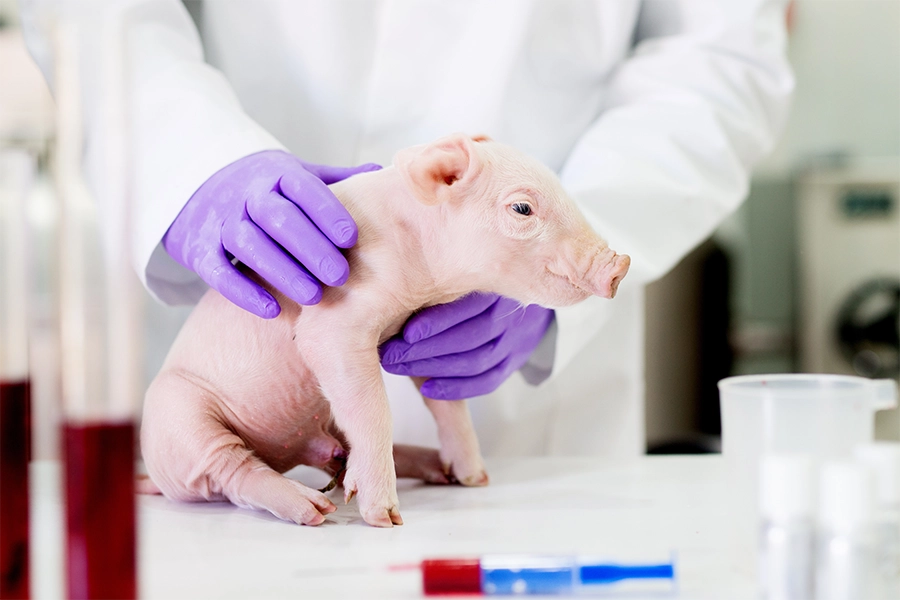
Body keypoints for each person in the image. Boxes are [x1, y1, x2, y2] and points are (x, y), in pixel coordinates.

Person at [21, 0, 793, 458]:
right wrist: (187, 162)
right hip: (223, 348)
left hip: (532, 433)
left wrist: (558, 265)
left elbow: (721, 56)